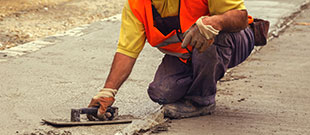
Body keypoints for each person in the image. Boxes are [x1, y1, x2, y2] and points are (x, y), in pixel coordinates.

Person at [87, 0, 255, 120]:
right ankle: (197, 81)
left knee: (207, 35)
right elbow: (127, 51)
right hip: (186, 55)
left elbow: (240, 17)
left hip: (232, 40)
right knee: (161, 92)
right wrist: (108, 92)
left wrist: (214, 22)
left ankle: (202, 100)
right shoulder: (137, 5)